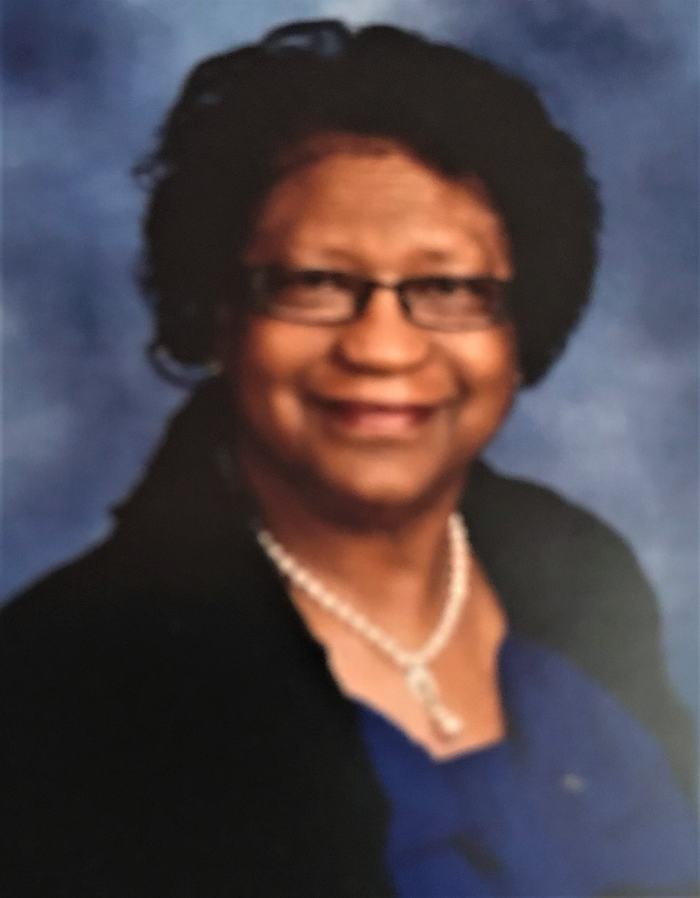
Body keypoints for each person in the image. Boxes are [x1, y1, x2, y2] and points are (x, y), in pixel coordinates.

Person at [1, 19, 696, 898]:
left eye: (447, 288)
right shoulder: (64, 682)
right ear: (219, 314)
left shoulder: (574, 565)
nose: (380, 347)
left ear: (520, 329)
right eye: (315, 284)